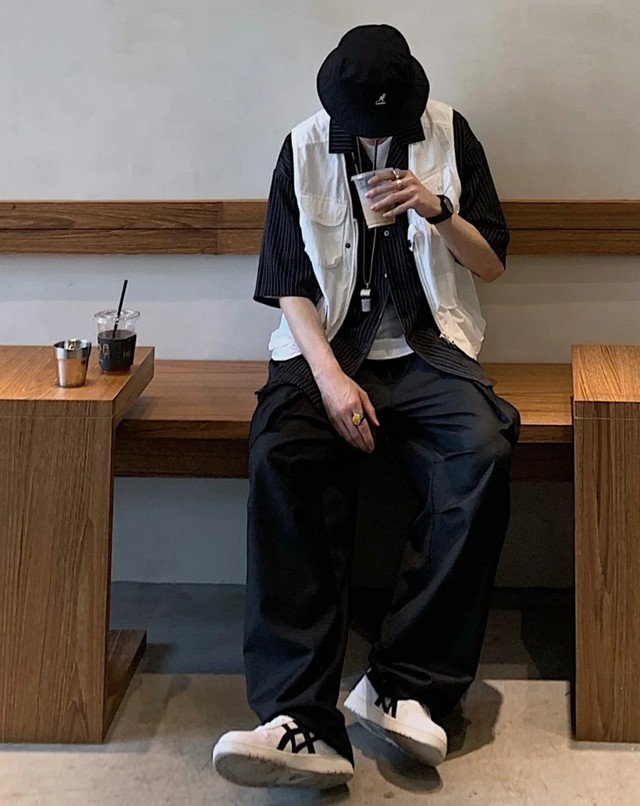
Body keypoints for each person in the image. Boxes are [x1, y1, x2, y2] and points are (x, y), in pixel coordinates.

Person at [213, 23, 520, 791]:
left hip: (428, 351)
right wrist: (327, 379)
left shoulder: (450, 134)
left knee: (481, 451)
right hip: (327, 354)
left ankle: (404, 684)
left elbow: (492, 264)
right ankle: (298, 719)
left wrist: (436, 208)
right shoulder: (304, 146)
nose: (376, 137)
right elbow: (287, 280)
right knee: (281, 451)